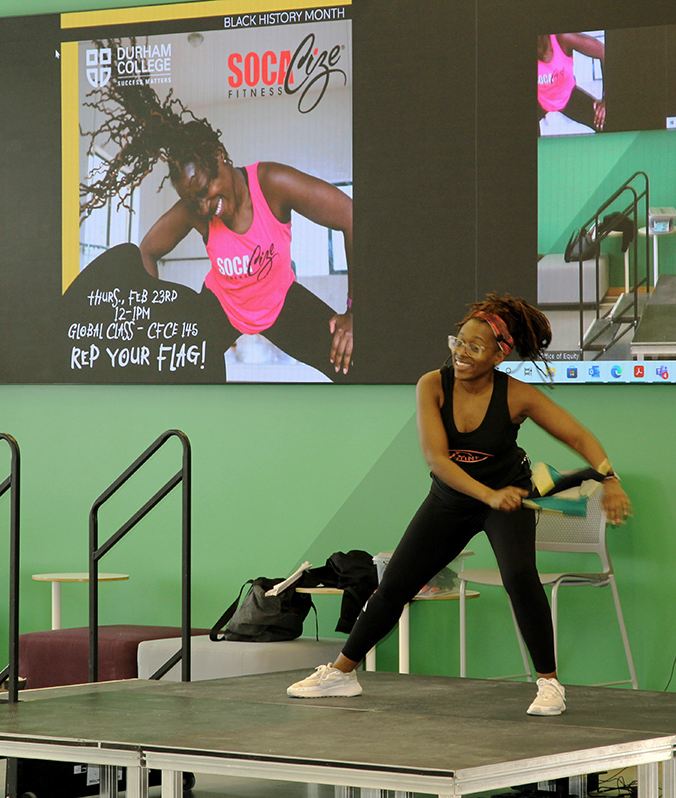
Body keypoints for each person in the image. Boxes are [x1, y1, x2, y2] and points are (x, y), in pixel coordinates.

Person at [287, 293, 632, 716]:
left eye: (475, 346)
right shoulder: (432, 384)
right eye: (459, 341)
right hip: (455, 499)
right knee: (394, 585)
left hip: (506, 499)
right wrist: (487, 495)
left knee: (520, 576)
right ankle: (342, 674)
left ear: (499, 356)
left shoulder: (517, 395)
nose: (462, 353)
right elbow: (437, 459)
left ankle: (549, 685)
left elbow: (578, 436)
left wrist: (609, 477)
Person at [80, 80, 354, 379]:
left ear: (219, 154)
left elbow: (351, 217)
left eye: (205, 188)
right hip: (221, 307)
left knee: (351, 361)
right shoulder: (195, 210)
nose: (204, 206)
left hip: (280, 302)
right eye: (192, 199)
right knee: (171, 371)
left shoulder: (271, 184)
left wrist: (355, 311)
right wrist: (154, 317)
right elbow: (147, 250)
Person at [538, 33, 606, 132]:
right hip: (540, 98)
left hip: (567, 95)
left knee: (607, 122)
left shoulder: (563, 38)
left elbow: (603, 52)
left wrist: (607, 98)